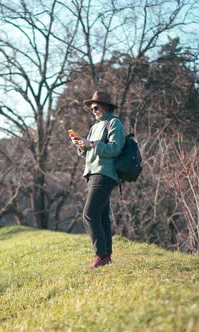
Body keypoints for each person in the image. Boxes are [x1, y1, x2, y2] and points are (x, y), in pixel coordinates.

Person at [71, 90, 125, 269]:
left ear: (105, 107)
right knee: (101, 216)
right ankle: (106, 256)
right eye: (91, 109)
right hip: (92, 173)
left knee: (89, 214)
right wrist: (82, 146)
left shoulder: (114, 123)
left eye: (95, 107)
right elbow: (91, 153)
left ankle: (100, 255)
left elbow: (115, 149)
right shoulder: (94, 127)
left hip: (105, 174)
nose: (93, 111)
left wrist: (92, 144)